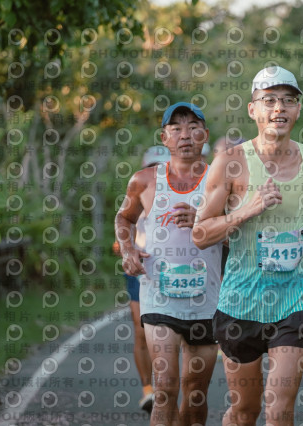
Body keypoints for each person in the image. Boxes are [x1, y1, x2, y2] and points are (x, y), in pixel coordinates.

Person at [192, 66, 303, 426]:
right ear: (253, 109)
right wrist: (248, 209)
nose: (279, 108)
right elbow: (201, 233)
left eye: (288, 100)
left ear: (298, 109)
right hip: (240, 301)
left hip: (295, 297)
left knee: (279, 410)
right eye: (269, 100)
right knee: (245, 412)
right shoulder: (230, 162)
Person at [115, 102, 222, 426]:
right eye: (176, 128)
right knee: (164, 389)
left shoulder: (223, 181)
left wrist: (203, 223)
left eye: (193, 127)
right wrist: (128, 249)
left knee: (195, 393)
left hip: (207, 301)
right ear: (164, 137)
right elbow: (124, 217)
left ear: (205, 134)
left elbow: (240, 231)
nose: (185, 135)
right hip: (159, 296)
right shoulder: (144, 180)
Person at [112, 146, 170, 413]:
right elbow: (123, 227)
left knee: (178, 332)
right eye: (152, 166)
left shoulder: (184, 192)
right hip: (141, 270)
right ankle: (148, 390)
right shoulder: (138, 190)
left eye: (162, 165)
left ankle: (172, 388)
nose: (157, 170)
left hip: (176, 271)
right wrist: (126, 249)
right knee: (141, 329)